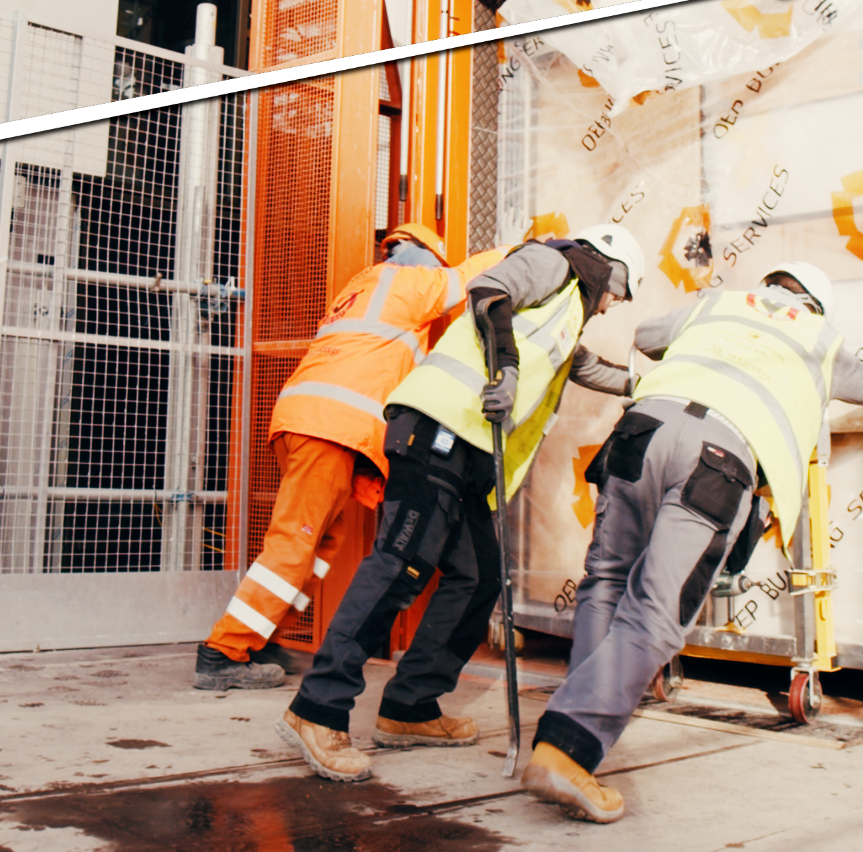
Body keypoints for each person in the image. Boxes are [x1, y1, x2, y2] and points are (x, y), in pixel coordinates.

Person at [521, 262, 863, 823]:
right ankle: (567, 749)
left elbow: (646, 337)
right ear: (813, 304)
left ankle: (578, 725)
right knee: (657, 611)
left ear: (770, 285)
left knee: (607, 581)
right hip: (715, 457)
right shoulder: (816, 335)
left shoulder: (717, 304)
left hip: (641, 430)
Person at [277, 225, 646, 781]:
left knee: (478, 578)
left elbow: (585, 367)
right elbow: (489, 291)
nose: (615, 303)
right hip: (437, 427)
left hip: (469, 453)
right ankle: (317, 709)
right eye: (622, 290)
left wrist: (652, 383)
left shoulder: (565, 314)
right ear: (609, 266)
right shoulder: (554, 265)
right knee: (398, 566)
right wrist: (508, 369)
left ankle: (410, 706)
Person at [196, 223, 470, 690]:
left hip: (307, 421)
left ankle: (262, 637)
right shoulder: (409, 282)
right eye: (435, 263)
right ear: (422, 254)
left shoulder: (361, 286)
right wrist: (539, 249)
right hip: (328, 428)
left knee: (321, 544)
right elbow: (473, 276)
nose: (437, 273)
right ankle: (223, 651)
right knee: (295, 541)